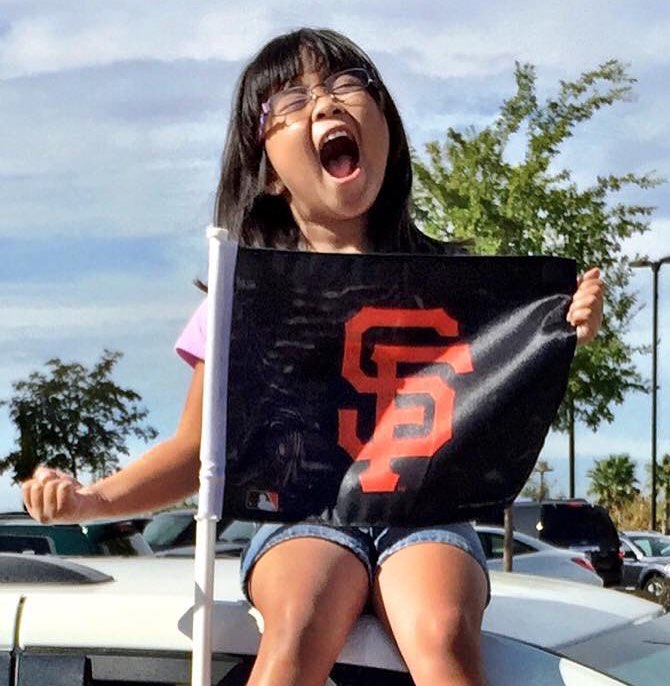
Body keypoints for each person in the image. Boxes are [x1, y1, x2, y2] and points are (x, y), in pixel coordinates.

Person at [21, 28, 604, 686]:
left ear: (386, 125)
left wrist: (556, 338)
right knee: (298, 622)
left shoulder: (462, 286)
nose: (324, 105)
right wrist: (89, 501)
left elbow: (494, 414)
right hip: (299, 515)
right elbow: (197, 451)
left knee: (441, 632)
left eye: (346, 85)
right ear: (267, 170)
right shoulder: (245, 296)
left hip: (425, 516)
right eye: (291, 100)